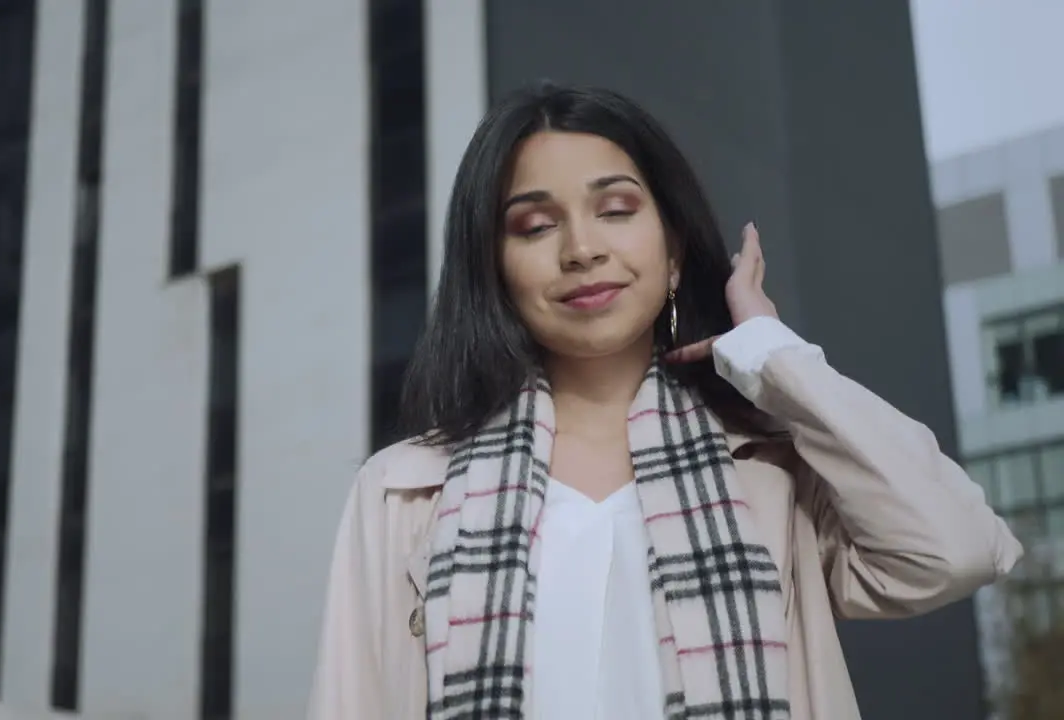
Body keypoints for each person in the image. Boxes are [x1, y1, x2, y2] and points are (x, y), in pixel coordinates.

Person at [308, 82, 1021, 720]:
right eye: (534, 226)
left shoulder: (771, 471)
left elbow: (953, 551)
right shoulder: (405, 493)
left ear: (673, 251)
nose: (581, 249)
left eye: (615, 210)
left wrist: (772, 355)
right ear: (493, 270)